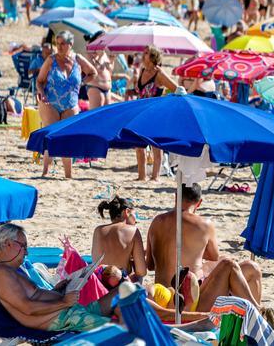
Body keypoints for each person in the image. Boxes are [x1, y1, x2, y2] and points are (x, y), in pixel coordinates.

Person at [146, 184, 262, 312]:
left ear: (176, 197)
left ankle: (255, 313)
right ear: (199, 203)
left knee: (212, 264)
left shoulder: (156, 221)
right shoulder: (204, 224)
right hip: (188, 299)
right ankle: (258, 314)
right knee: (251, 268)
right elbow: (213, 256)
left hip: (161, 295)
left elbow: (150, 265)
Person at [0, 223, 117, 332]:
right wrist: (64, 302)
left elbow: (32, 297)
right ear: (7, 244)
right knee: (122, 329)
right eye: (23, 246)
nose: (26, 252)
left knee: (122, 292)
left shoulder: (11, 271)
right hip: (65, 319)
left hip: (71, 312)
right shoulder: (2, 275)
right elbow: (28, 308)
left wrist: (56, 291)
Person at [36, 32, 97, 179]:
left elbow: (93, 72)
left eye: (63, 43)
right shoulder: (51, 60)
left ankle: (68, 175)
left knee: (67, 138)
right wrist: (41, 93)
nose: (59, 47)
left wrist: (81, 83)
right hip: (51, 102)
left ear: (70, 44)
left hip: (71, 103)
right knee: (51, 136)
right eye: (57, 43)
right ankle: (45, 171)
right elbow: (39, 81)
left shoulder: (78, 60)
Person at [131, 46, 178, 181]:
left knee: (155, 146)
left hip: (155, 114)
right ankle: (141, 176)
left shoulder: (159, 74)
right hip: (140, 113)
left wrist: (167, 104)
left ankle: (155, 176)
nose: (142, 55)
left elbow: (176, 88)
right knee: (139, 146)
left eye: (146, 53)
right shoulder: (142, 70)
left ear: (152, 57)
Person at [91, 195, 147, 280]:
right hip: (120, 284)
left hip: (100, 282)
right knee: (138, 277)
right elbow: (141, 271)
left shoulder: (98, 230)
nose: (136, 220)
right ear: (127, 212)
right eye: (135, 214)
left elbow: (96, 262)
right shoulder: (133, 231)